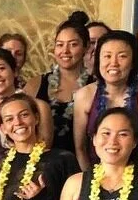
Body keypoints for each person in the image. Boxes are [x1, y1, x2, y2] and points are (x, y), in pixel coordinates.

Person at [71, 30, 138, 171]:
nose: (113, 63)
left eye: (122, 56)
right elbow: (80, 148)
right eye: (107, 56)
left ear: (133, 62)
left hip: (136, 175)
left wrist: (137, 182)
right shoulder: (84, 95)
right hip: (94, 175)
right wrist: (89, 181)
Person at [0, 48, 54, 170]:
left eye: (1, 68)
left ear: (15, 71)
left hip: (31, 175)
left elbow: (44, 149)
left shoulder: (39, 106)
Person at [26, 11, 92, 153]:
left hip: (83, 163)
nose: (65, 51)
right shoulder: (35, 84)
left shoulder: (95, 86)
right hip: (41, 163)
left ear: (86, 47)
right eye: (60, 45)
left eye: (73, 45)